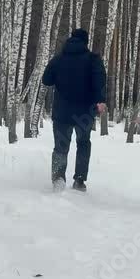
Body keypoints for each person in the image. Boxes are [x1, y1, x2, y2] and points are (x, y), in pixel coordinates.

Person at [41, 28, 107, 192]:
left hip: (61, 112)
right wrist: (100, 100)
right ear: (86, 42)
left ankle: (58, 179)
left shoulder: (58, 59)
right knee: (83, 144)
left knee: (60, 147)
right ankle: (79, 180)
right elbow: (100, 81)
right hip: (85, 112)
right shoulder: (93, 60)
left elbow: (46, 80)